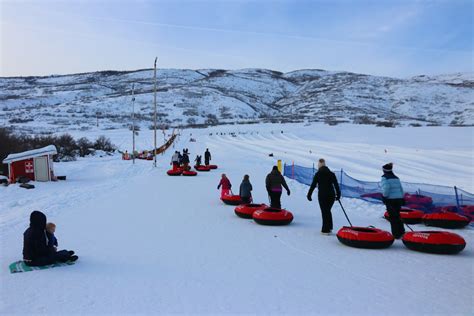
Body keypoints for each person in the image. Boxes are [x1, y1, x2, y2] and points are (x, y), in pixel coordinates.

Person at [307, 159, 341, 235]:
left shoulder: (318, 174)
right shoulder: (331, 174)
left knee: (325, 211)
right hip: (331, 195)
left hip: (322, 195)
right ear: (325, 165)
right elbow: (336, 185)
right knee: (327, 210)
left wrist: (309, 194)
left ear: (319, 165)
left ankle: (325, 230)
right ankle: (329, 227)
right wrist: (338, 194)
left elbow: (313, 185)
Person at [381, 163, 405, 239]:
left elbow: (386, 188)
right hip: (398, 199)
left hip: (390, 200)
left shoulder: (384, 178)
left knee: (393, 217)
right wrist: (401, 198)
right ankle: (401, 231)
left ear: (384, 170)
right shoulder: (396, 177)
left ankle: (396, 234)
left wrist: (385, 197)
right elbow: (401, 189)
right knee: (397, 215)